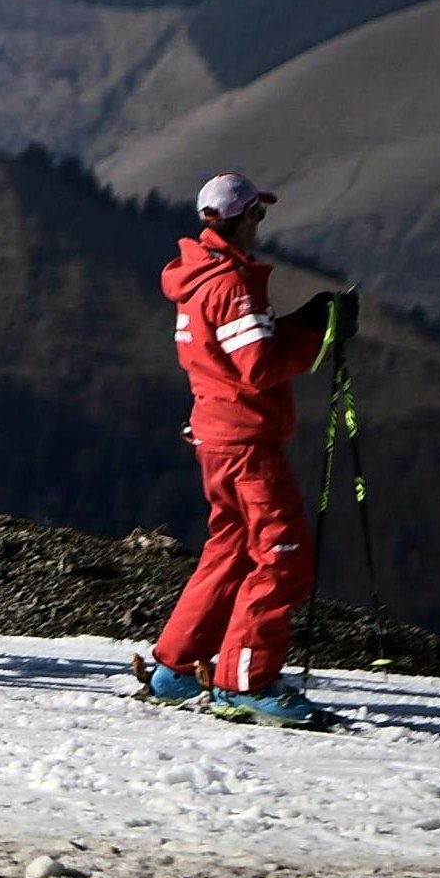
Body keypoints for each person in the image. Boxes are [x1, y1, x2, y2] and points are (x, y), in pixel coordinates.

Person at [146, 173, 349, 726]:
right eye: (259, 215)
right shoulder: (233, 282)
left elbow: (239, 345)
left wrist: (302, 322)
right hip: (246, 441)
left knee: (231, 547)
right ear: (244, 218)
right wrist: (314, 331)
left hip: (215, 432)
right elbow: (257, 365)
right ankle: (246, 681)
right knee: (284, 559)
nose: (261, 225)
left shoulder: (196, 277)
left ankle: (177, 668)